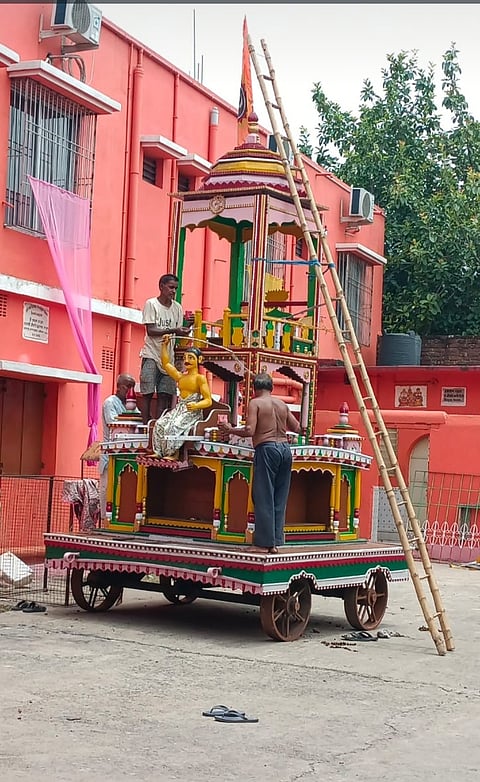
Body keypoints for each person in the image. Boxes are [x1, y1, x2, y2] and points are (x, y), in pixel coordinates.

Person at [219, 372, 300, 553]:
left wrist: (230, 429)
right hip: (285, 450)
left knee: (264, 496)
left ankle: (263, 544)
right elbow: (297, 427)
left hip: (267, 449)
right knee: (279, 497)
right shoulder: (282, 404)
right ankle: (275, 542)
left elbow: (250, 430)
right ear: (271, 387)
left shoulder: (255, 403)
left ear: (254, 389)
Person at [139, 273, 194, 423]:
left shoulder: (177, 308)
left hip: (168, 357)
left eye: (175, 288)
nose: (173, 291)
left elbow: (179, 332)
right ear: (161, 287)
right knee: (147, 391)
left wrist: (188, 326)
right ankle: (146, 422)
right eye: (171, 287)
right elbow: (151, 330)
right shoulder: (151, 304)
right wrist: (174, 330)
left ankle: (160, 423)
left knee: (165, 394)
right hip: (151, 353)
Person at [152, 336, 212, 459]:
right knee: (160, 424)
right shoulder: (181, 377)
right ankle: (159, 451)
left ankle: (173, 453)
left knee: (174, 426)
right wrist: (164, 345)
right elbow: (166, 364)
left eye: (191, 358)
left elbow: (208, 400)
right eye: (185, 358)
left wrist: (196, 405)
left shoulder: (200, 378)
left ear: (199, 360)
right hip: (179, 409)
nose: (187, 360)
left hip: (192, 412)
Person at [99, 373, 136, 518]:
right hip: (110, 453)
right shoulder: (110, 403)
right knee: (107, 488)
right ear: (120, 387)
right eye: (128, 387)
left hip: (126, 454)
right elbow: (114, 423)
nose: (131, 391)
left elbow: (138, 420)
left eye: (133, 387)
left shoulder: (130, 404)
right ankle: (104, 519)